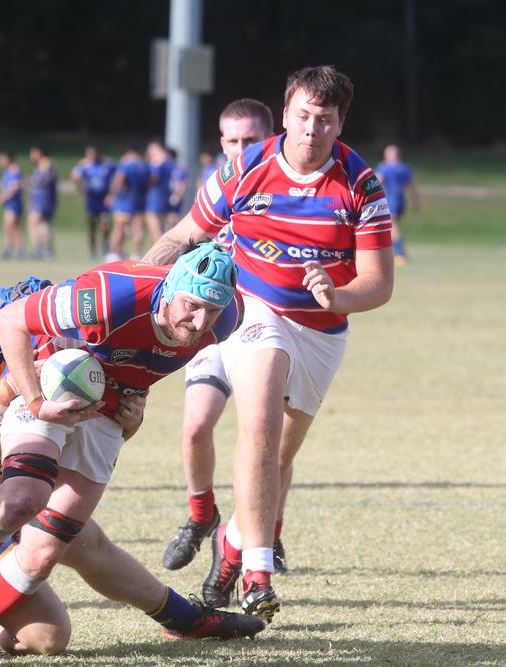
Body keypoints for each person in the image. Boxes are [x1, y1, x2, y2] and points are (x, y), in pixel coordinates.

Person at [0, 244, 245, 660]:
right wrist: (16, 391)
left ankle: (186, 619)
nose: (75, 342)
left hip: (5, 489)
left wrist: (127, 415)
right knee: (46, 633)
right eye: (58, 331)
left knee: (81, 541)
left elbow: (127, 371)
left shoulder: (212, 323)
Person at [145, 66, 393, 617]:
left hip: (323, 332)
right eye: (302, 116)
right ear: (285, 115)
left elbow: (379, 284)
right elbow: (185, 234)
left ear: (339, 123)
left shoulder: (360, 183)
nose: (311, 129)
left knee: (279, 456)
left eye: (324, 120)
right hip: (253, 310)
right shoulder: (244, 167)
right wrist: (131, 280)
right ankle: (258, 571)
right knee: (257, 423)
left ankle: (232, 542)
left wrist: (338, 296)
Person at [159, 97, 274, 573]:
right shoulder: (217, 189)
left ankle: (266, 533)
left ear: (270, 139)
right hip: (214, 326)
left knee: (267, 440)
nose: (241, 149)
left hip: (268, 329)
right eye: (233, 141)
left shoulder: (284, 188)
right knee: (194, 426)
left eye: (251, 140)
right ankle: (201, 516)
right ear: (221, 142)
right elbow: (184, 239)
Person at [375, 144, 419, 265]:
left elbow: (377, 181)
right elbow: (413, 187)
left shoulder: (384, 167)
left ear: (392, 155)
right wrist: (416, 203)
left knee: (393, 227)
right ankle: (396, 252)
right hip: (401, 200)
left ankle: (400, 254)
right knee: (393, 226)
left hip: (391, 199)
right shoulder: (405, 168)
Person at [105, 146, 149, 261]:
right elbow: (150, 182)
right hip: (139, 201)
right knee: (138, 228)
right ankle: (136, 253)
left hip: (125, 201)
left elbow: (120, 179)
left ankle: (115, 252)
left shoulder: (126, 164)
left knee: (119, 227)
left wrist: (111, 194)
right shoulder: (145, 165)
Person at [70, 146, 115, 260]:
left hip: (104, 199)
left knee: (105, 224)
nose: (92, 157)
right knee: (92, 226)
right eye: (89, 155)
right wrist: (80, 190)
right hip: (91, 199)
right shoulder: (85, 166)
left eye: (93, 154)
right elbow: (74, 177)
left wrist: (111, 195)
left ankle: (105, 246)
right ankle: (93, 250)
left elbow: (117, 177)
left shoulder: (107, 165)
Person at [27, 146, 57, 260]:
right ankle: (46, 250)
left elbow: (44, 181)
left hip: (43, 200)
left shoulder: (45, 164)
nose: (31, 156)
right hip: (39, 200)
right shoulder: (40, 165)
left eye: (33, 153)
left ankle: (40, 248)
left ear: (39, 153)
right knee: (42, 224)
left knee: (35, 222)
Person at [0, 151, 24, 260]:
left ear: (8, 159)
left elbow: (15, 187)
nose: (0, 162)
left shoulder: (14, 170)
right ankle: (17, 250)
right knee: (13, 227)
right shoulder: (7, 171)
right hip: (10, 203)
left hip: (14, 203)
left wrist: (3, 197)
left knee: (10, 226)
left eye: (2, 159)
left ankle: (11, 250)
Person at [144, 139, 174, 243]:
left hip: (155, 198)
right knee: (160, 228)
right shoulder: (168, 162)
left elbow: (153, 179)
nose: (149, 151)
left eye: (152, 149)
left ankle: (161, 256)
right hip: (163, 197)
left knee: (155, 229)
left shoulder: (159, 164)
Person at [166, 146, 189, 229]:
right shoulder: (166, 167)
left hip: (174, 196)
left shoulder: (179, 169)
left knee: (173, 217)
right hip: (165, 195)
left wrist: (177, 196)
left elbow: (184, 184)